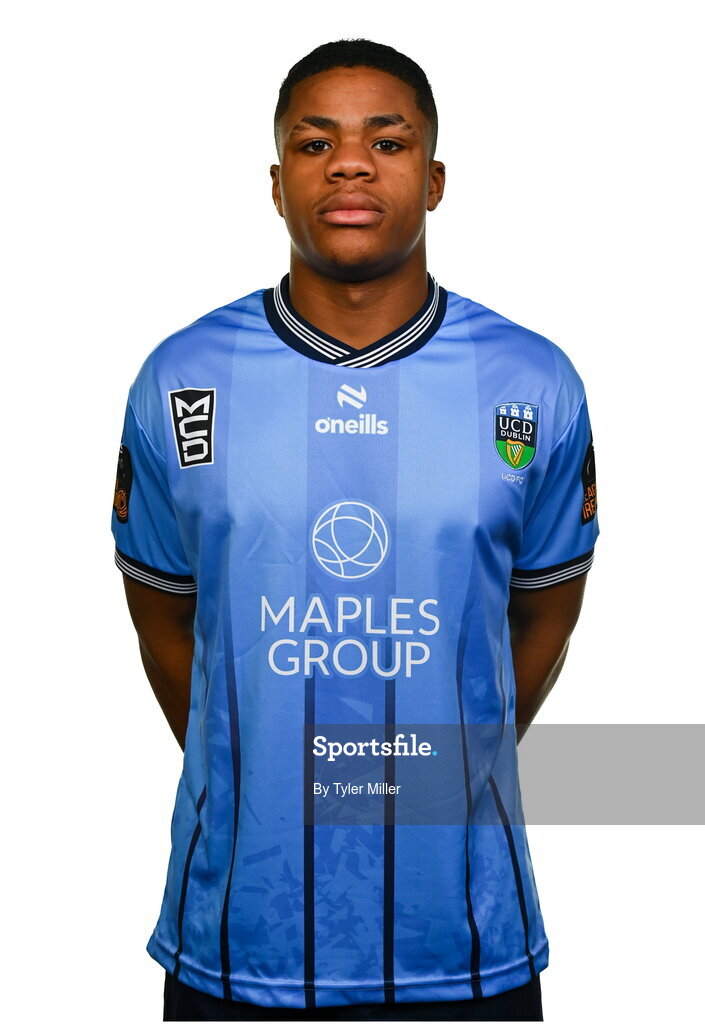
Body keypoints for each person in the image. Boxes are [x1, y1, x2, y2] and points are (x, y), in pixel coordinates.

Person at [111, 38, 598, 1022]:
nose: (348, 165)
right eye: (314, 143)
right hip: (236, 943)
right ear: (276, 184)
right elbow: (167, 623)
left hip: (465, 945)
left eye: (387, 140)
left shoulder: (532, 383)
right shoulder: (183, 380)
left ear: (435, 179)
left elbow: (540, 620)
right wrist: (261, 770)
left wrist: (437, 773)